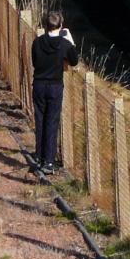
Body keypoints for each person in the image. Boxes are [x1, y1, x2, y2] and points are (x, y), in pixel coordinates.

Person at [31, 11, 78, 174]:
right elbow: (74, 61)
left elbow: (34, 61)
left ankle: (39, 155)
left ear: (45, 25)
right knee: (52, 121)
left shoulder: (37, 42)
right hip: (55, 86)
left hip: (39, 84)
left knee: (40, 119)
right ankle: (49, 161)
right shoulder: (65, 44)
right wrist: (71, 43)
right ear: (61, 25)